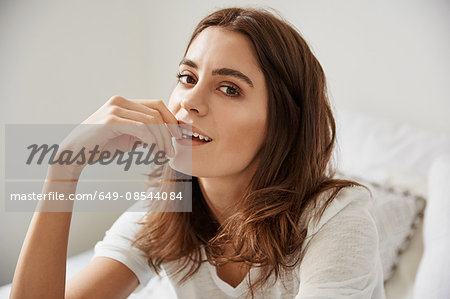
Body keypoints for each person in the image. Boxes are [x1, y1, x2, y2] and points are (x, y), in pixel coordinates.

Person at [10, 7, 385, 299]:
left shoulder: (337, 216)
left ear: (283, 122)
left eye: (229, 89)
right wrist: (63, 167)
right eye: (187, 78)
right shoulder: (166, 213)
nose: (189, 101)